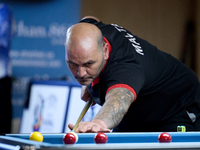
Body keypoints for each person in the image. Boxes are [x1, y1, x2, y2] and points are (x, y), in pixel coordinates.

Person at [64, 16, 200, 133]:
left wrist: (98, 123)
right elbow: (91, 19)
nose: (80, 73)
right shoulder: (94, 30)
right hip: (137, 111)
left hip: (177, 107)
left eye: (88, 64)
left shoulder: (125, 69)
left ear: (104, 50)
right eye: (73, 64)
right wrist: (90, 81)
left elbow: (119, 100)